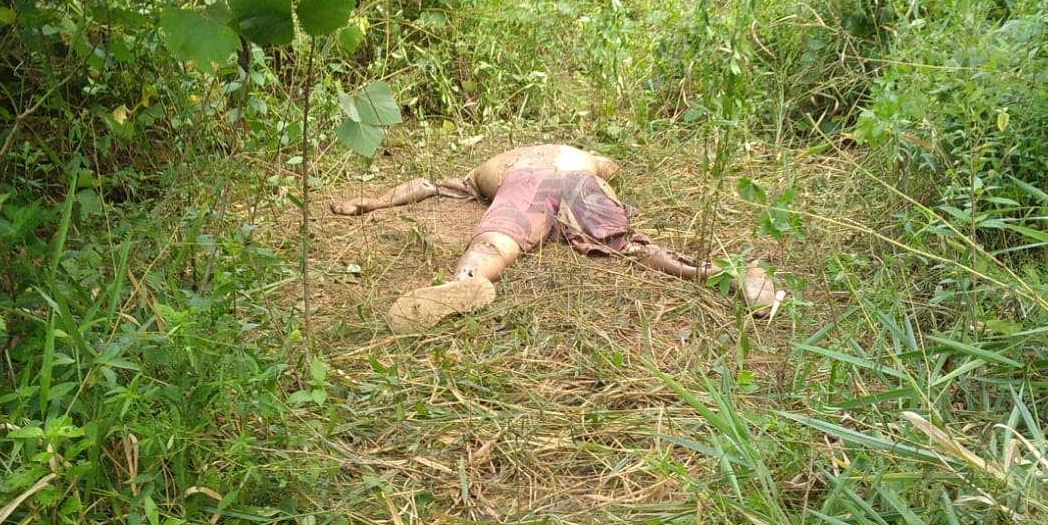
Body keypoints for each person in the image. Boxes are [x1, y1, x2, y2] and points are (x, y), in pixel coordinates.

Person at [331, 144, 784, 333]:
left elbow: (427, 185)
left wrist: (370, 201)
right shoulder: (579, 156)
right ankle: (725, 272)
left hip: (522, 185)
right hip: (575, 182)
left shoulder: (497, 163)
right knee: (631, 246)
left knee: (492, 245)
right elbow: (612, 169)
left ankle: (460, 281)